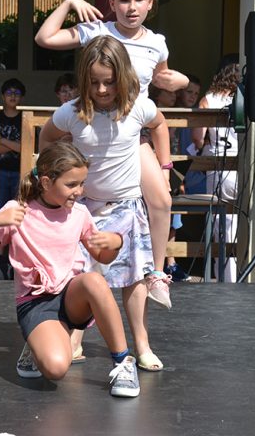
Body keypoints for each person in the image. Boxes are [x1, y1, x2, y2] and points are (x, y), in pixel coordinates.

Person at [35, 0, 190, 309]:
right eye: (123, 0)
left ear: (151, 2)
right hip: (93, 133)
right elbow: (45, 38)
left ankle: (157, 272)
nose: (131, 7)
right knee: (73, 202)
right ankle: (60, 276)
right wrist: (70, 2)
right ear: (111, 3)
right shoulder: (97, 31)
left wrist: (179, 81)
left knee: (162, 200)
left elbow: (161, 79)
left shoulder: (156, 44)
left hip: (130, 135)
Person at [0, 141, 141, 398]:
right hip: (35, 302)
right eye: (71, 184)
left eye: (82, 184)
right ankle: (36, 345)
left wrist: (116, 243)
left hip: (71, 297)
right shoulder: (18, 211)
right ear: (46, 182)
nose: (79, 191)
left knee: (94, 281)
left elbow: (102, 256)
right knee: (56, 368)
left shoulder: (79, 214)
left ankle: (123, 363)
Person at [39, 35, 169, 373]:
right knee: (82, 275)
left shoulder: (138, 107)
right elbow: (47, 136)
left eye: (109, 82)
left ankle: (142, 343)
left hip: (126, 206)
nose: (101, 89)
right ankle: (75, 338)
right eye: (94, 82)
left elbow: (159, 125)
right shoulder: (72, 112)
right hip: (85, 210)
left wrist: (165, 166)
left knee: (133, 279)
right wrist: (53, 172)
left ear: (122, 77)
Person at [191, 62, 241, 282]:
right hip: (240, 165)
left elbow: (197, 137)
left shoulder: (208, 99)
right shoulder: (244, 100)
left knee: (220, 225)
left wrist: (202, 147)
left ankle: (224, 278)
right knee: (238, 224)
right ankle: (239, 276)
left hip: (217, 166)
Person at [150, 87, 191, 282]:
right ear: (158, 93)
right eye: (169, 92)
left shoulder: (176, 115)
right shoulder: (149, 113)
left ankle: (171, 262)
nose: (174, 95)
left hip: (172, 168)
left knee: (173, 217)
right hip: (152, 168)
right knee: (153, 215)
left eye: (175, 93)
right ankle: (153, 264)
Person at [0, 78, 25, 214]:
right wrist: (16, 145)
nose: (13, 96)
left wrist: (3, 140)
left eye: (17, 93)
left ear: (22, 97)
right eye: (9, 93)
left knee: (18, 210)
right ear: (2, 96)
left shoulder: (25, 118)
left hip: (21, 171)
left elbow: (26, 148)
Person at [176, 74, 208, 195]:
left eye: (196, 93)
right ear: (179, 92)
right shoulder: (172, 113)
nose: (193, 96)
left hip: (197, 177)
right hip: (176, 175)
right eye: (189, 92)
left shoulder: (198, 115)